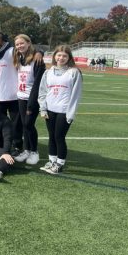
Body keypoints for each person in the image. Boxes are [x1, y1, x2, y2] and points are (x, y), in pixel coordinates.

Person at [0, 31, 43, 155]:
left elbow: (27, 48)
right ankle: (1, 144)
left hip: (15, 96)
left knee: (17, 125)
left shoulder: (11, 51)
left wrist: (39, 52)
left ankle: (17, 146)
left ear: (4, 42)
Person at [38, 45, 83, 175]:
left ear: (69, 58)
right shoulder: (48, 72)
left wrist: (71, 113)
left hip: (64, 110)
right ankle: (52, 161)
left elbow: (76, 94)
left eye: (64, 56)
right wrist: (43, 108)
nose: (61, 58)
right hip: (50, 109)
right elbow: (43, 91)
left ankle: (60, 164)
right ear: (54, 56)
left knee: (59, 137)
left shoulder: (74, 72)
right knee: (51, 136)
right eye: (59, 55)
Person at [12, 34, 45, 165]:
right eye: (17, 44)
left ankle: (34, 151)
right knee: (24, 125)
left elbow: (38, 83)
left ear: (29, 43)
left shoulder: (37, 60)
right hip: (21, 97)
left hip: (32, 98)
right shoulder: (19, 57)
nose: (19, 46)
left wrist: (32, 103)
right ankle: (26, 150)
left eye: (22, 43)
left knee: (29, 124)